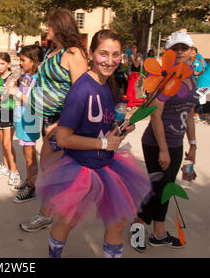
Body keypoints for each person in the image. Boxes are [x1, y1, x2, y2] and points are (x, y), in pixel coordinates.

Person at [36, 29, 151, 258]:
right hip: (81, 168)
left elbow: (101, 129)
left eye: (116, 54)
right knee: (68, 221)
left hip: (107, 164)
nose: (110, 61)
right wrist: (102, 144)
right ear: (91, 54)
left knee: (117, 223)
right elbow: (63, 138)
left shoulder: (108, 84)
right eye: (103, 54)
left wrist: (120, 129)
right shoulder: (81, 90)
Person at [20, 8, 88, 232]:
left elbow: (81, 92)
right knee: (53, 168)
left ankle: (47, 214)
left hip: (62, 122)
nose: (46, 28)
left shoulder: (73, 54)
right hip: (47, 119)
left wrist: (63, 124)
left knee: (50, 167)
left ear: (60, 26)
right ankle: (55, 211)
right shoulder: (52, 51)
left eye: (49, 24)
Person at [131, 32, 199, 252]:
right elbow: (155, 114)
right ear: (168, 52)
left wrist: (193, 145)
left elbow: (189, 114)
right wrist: (162, 150)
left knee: (167, 188)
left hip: (176, 143)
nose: (179, 52)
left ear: (191, 52)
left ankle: (158, 234)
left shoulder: (191, 77)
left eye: (183, 48)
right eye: (175, 49)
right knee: (155, 188)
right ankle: (137, 227)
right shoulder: (165, 78)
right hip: (156, 143)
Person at [5, 45, 43, 203]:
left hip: (30, 123)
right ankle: (29, 181)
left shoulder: (39, 80)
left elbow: (37, 103)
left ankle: (32, 188)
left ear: (33, 61)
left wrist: (17, 93)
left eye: (23, 60)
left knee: (30, 157)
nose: (20, 63)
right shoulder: (25, 76)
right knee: (26, 154)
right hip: (21, 121)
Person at [0, 52, 20, 187]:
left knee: (8, 144)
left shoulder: (13, 77)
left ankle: (15, 171)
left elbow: (17, 93)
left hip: (9, 111)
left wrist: (7, 91)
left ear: (8, 64)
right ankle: (6, 167)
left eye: (2, 63)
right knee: (3, 142)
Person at [125, 43, 145, 109]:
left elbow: (136, 65)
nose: (133, 49)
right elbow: (128, 65)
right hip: (131, 74)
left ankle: (130, 104)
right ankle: (132, 103)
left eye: (135, 48)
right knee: (132, 90)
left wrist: (133, 58)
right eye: (132, 48)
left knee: (130, 90)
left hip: (136, 74)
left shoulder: (139, 55)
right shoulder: (129, 55)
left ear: (137, 49)